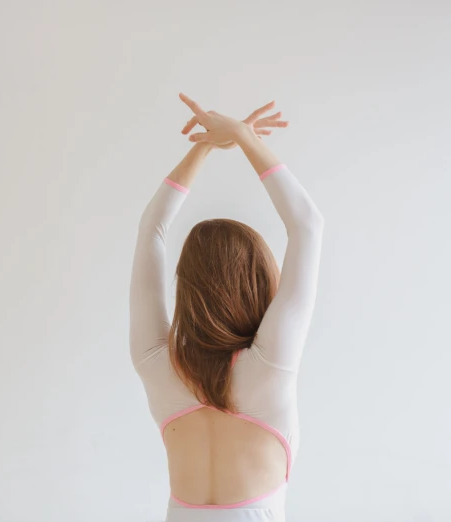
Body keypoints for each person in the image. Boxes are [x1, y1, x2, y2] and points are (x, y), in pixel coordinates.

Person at [130, 93, 324, 521]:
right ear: (258, 281)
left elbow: (151, 231)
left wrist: (204, 146)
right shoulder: (270, 366)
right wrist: (243, 138)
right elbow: (307, 226)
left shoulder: (156, 364)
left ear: (188, 285)